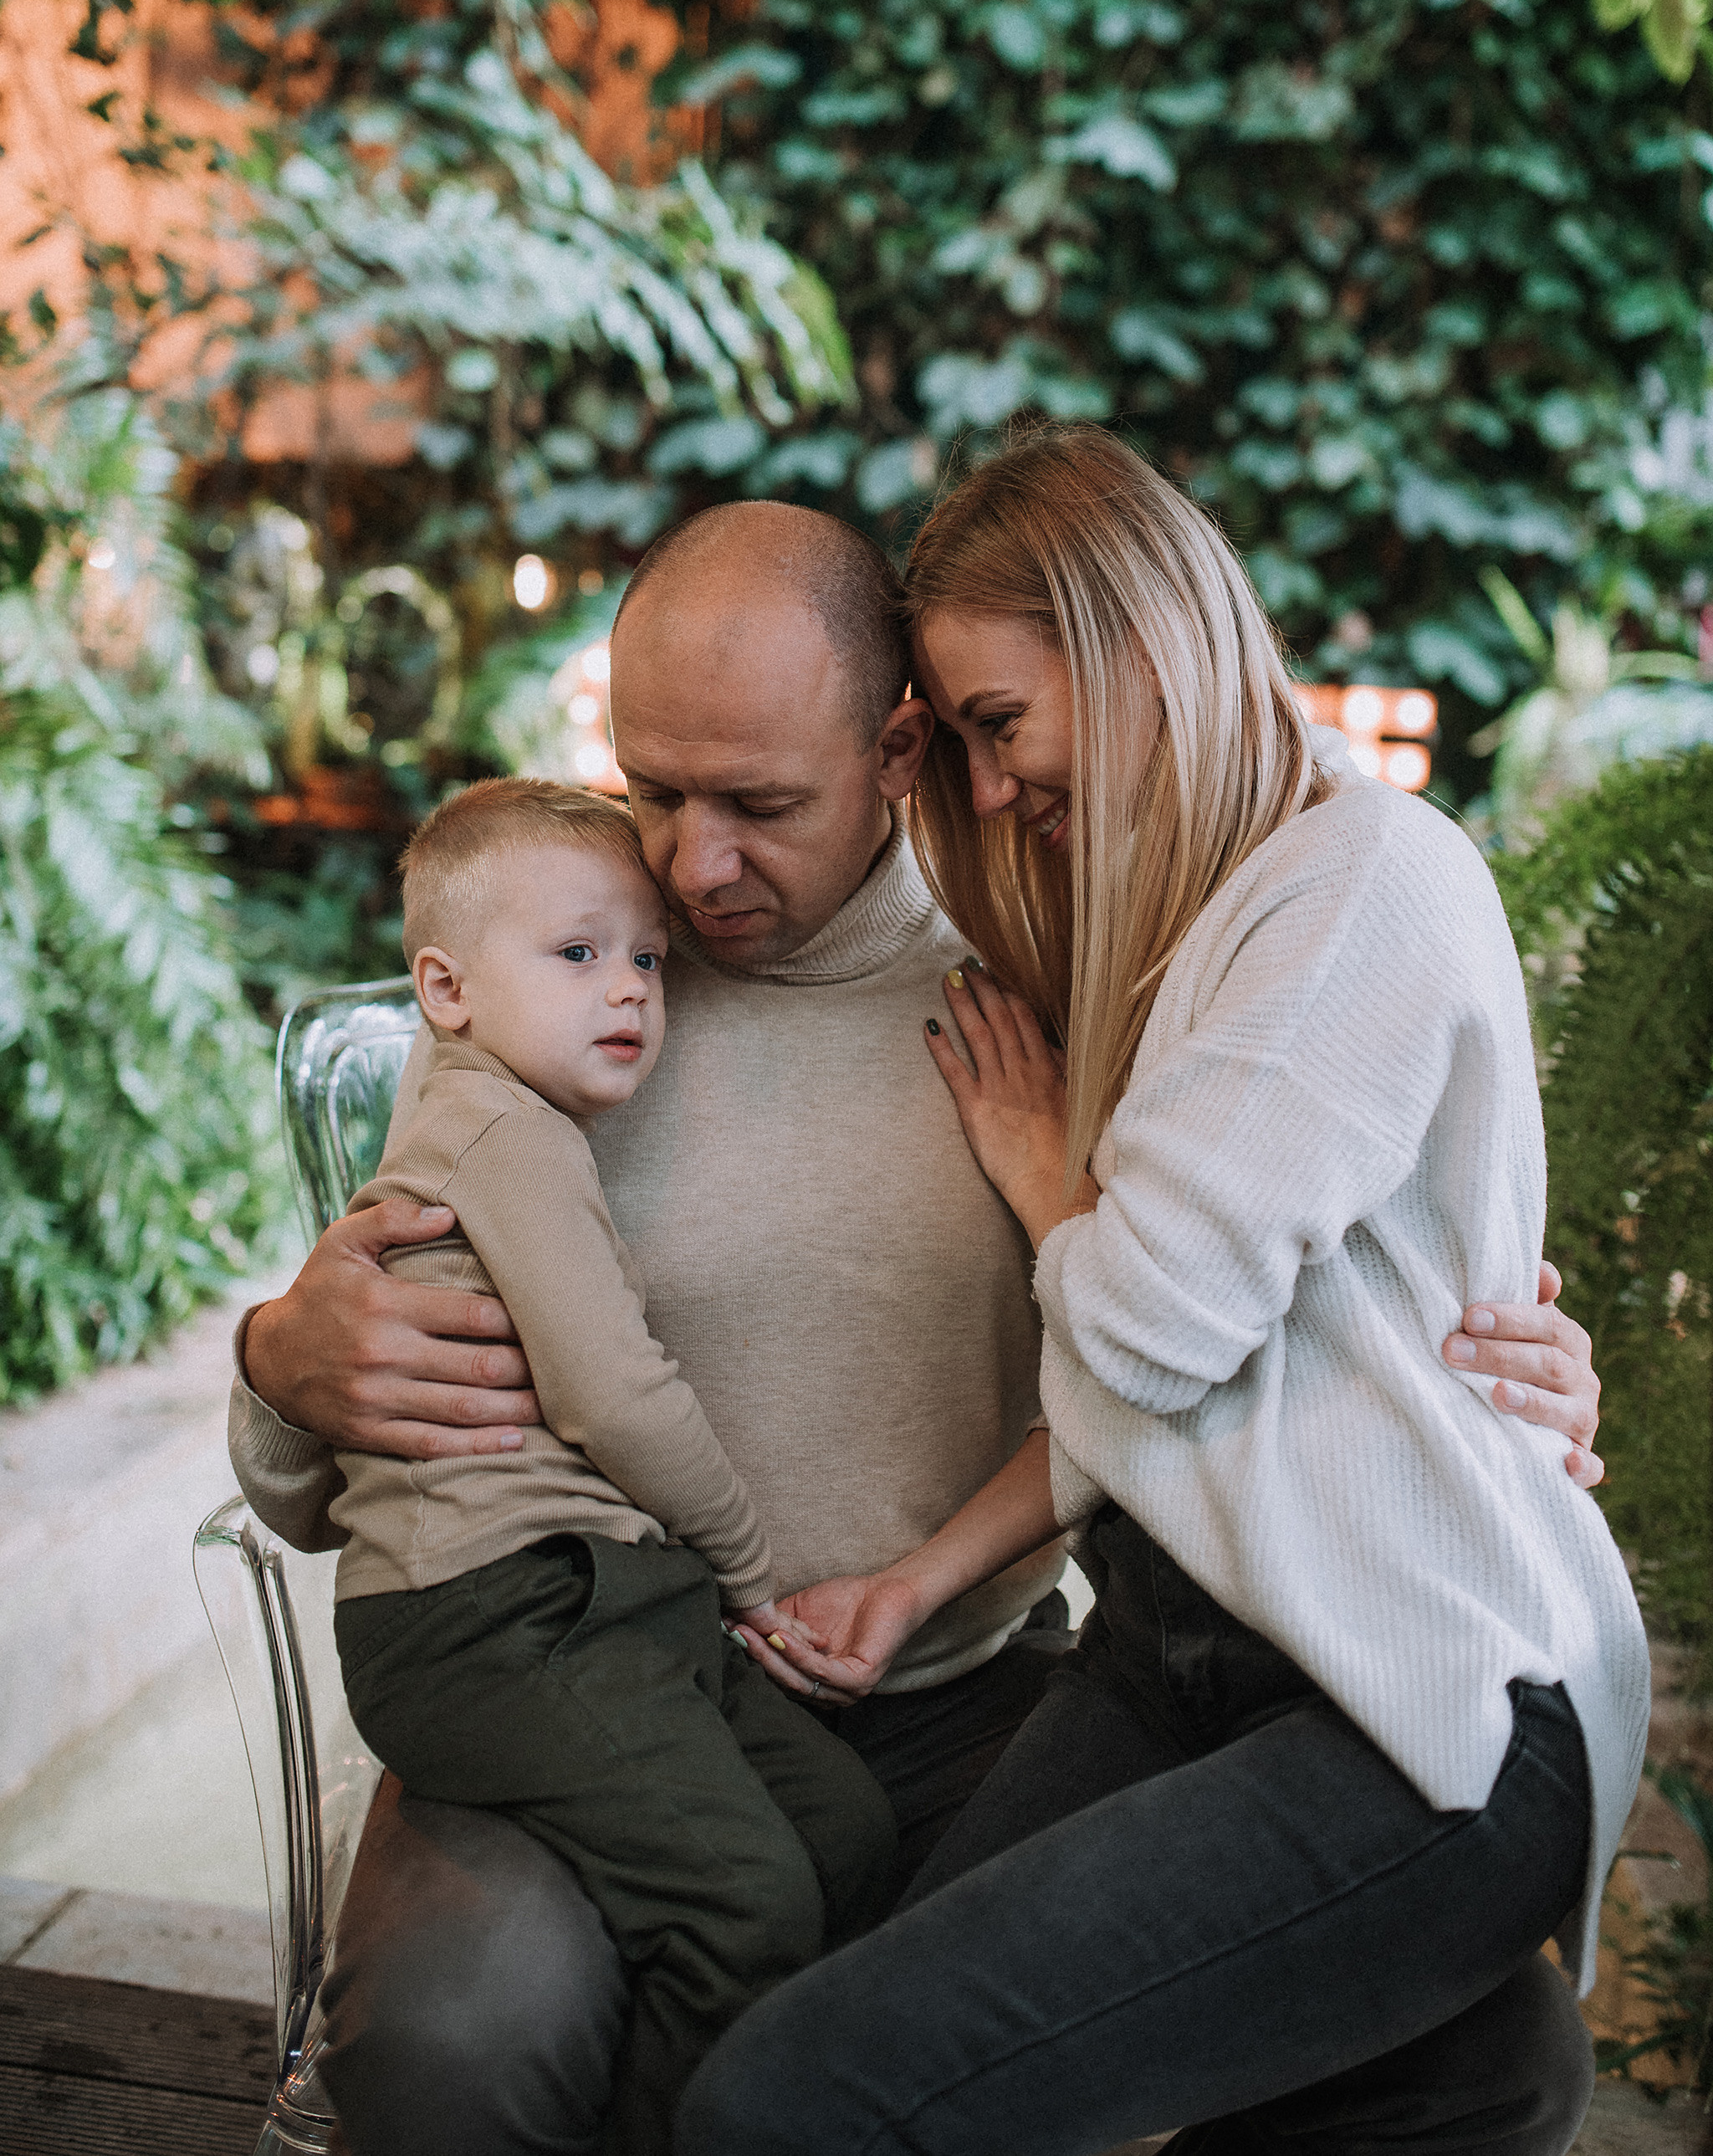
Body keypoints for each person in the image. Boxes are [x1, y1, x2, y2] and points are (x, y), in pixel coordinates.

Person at [229, 501, 1606, 2156]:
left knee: (1482, 2044)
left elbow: (1249, 1282)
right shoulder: (567, 960)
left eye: (757, 803)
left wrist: (1498, 1374)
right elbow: (332, 1436)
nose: (691, 863)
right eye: (652, 786)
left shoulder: (1055, 968)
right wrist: (279, 1377)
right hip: (600, 1671)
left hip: (963, 1689)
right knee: (458, 2036)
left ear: (899, 748)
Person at [674, 428, 1649, 2156]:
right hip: (1183, 1653)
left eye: (997, 722)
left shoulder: (1361, 882)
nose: (985, 790)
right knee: (876, 2051)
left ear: (1134, 649)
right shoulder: (1190, 927)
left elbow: (1138, 1326)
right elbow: (1151, 1396)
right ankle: (1469, 2069)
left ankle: (1466, 2050)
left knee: (794, 2102)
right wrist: (923, 1575)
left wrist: (1057, 1183)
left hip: (1405, 1695)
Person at [319, 776, 892, 2156]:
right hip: (490, 1616)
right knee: (748, 1902)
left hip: (609, 1602)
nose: (630, 990)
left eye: (645, 957)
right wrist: (752, 1569)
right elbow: (616, 1398)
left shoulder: (503, 1109)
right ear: (445, 990)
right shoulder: (501, 1131)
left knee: (848, 1830)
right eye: (578, 957)